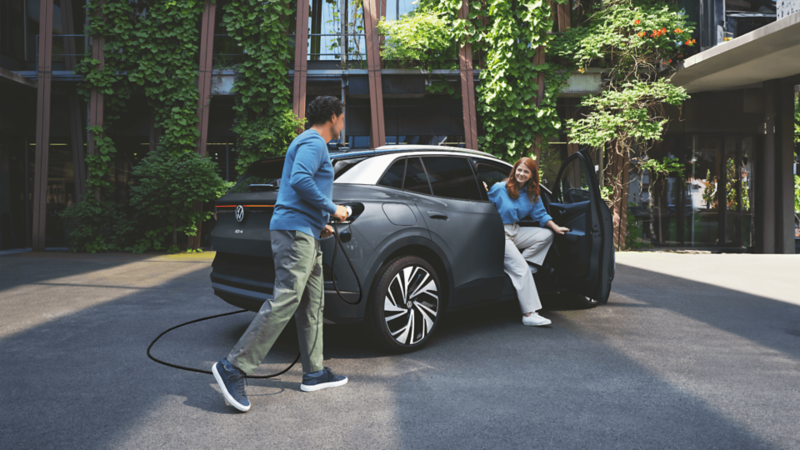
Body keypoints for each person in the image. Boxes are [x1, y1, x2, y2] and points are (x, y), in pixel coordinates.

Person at [212, 96, 350, 412]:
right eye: (342, 118)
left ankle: (314, 372)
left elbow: (296, 187)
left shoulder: (310, 142)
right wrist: (333, 209)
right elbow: (300, 180)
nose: (343, 124)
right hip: (294, 233)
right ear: (333, 117)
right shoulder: (314, 142)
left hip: (306, 231)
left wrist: (321, 223)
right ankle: (233, 366)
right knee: (287, 298)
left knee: (313, 305)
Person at [484, 157, 569, 327]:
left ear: (531, 175)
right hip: (499, 232)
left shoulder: (532, 193)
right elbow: (484, 205)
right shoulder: (500, 188)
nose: (521, 174)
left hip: (515, 230)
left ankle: (525, 265)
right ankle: (529, 314)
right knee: (521, 271)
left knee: (546, 235)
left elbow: (541, 214)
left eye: (526, 171)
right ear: (514, 170)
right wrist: (483, 190)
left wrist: (556, 227)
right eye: (519, 170)